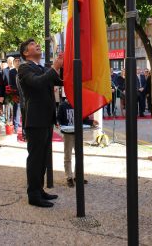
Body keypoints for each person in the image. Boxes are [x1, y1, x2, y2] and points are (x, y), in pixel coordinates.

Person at [18, 38, 63, 208]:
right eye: (32, 44)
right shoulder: (24, 68)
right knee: (35, 158)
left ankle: (39, 189)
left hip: (45, 118)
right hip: (35, 119)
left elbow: (59, 80)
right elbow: (37, 83)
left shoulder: (41, 68)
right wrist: (55, 67)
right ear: (25, 53)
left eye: (37, 43)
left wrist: (64, 66)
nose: (37, 45)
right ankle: (33, 194)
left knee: (43, 158)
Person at [57, 99, 98, 187]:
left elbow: (84, 119)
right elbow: (59, 119)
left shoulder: (79, 104)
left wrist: (91, 122)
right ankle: (69, 177)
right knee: (68, 155)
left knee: (79, 156)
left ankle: (78, 176)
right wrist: (59, 124)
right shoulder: (63, 106)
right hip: (68, 134)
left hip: (78, 133)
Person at [8, 57, 21, 133]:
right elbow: (11, 83)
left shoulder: (23, 70)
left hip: (23, 94)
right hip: (15, 93)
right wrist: (13, 93)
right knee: (16, 110)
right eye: (16, 61)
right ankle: (15, 127)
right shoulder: (11, 71)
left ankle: (19, 124)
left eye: (19, 61)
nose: (17, 62)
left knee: (22, 110)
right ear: (13, 63)